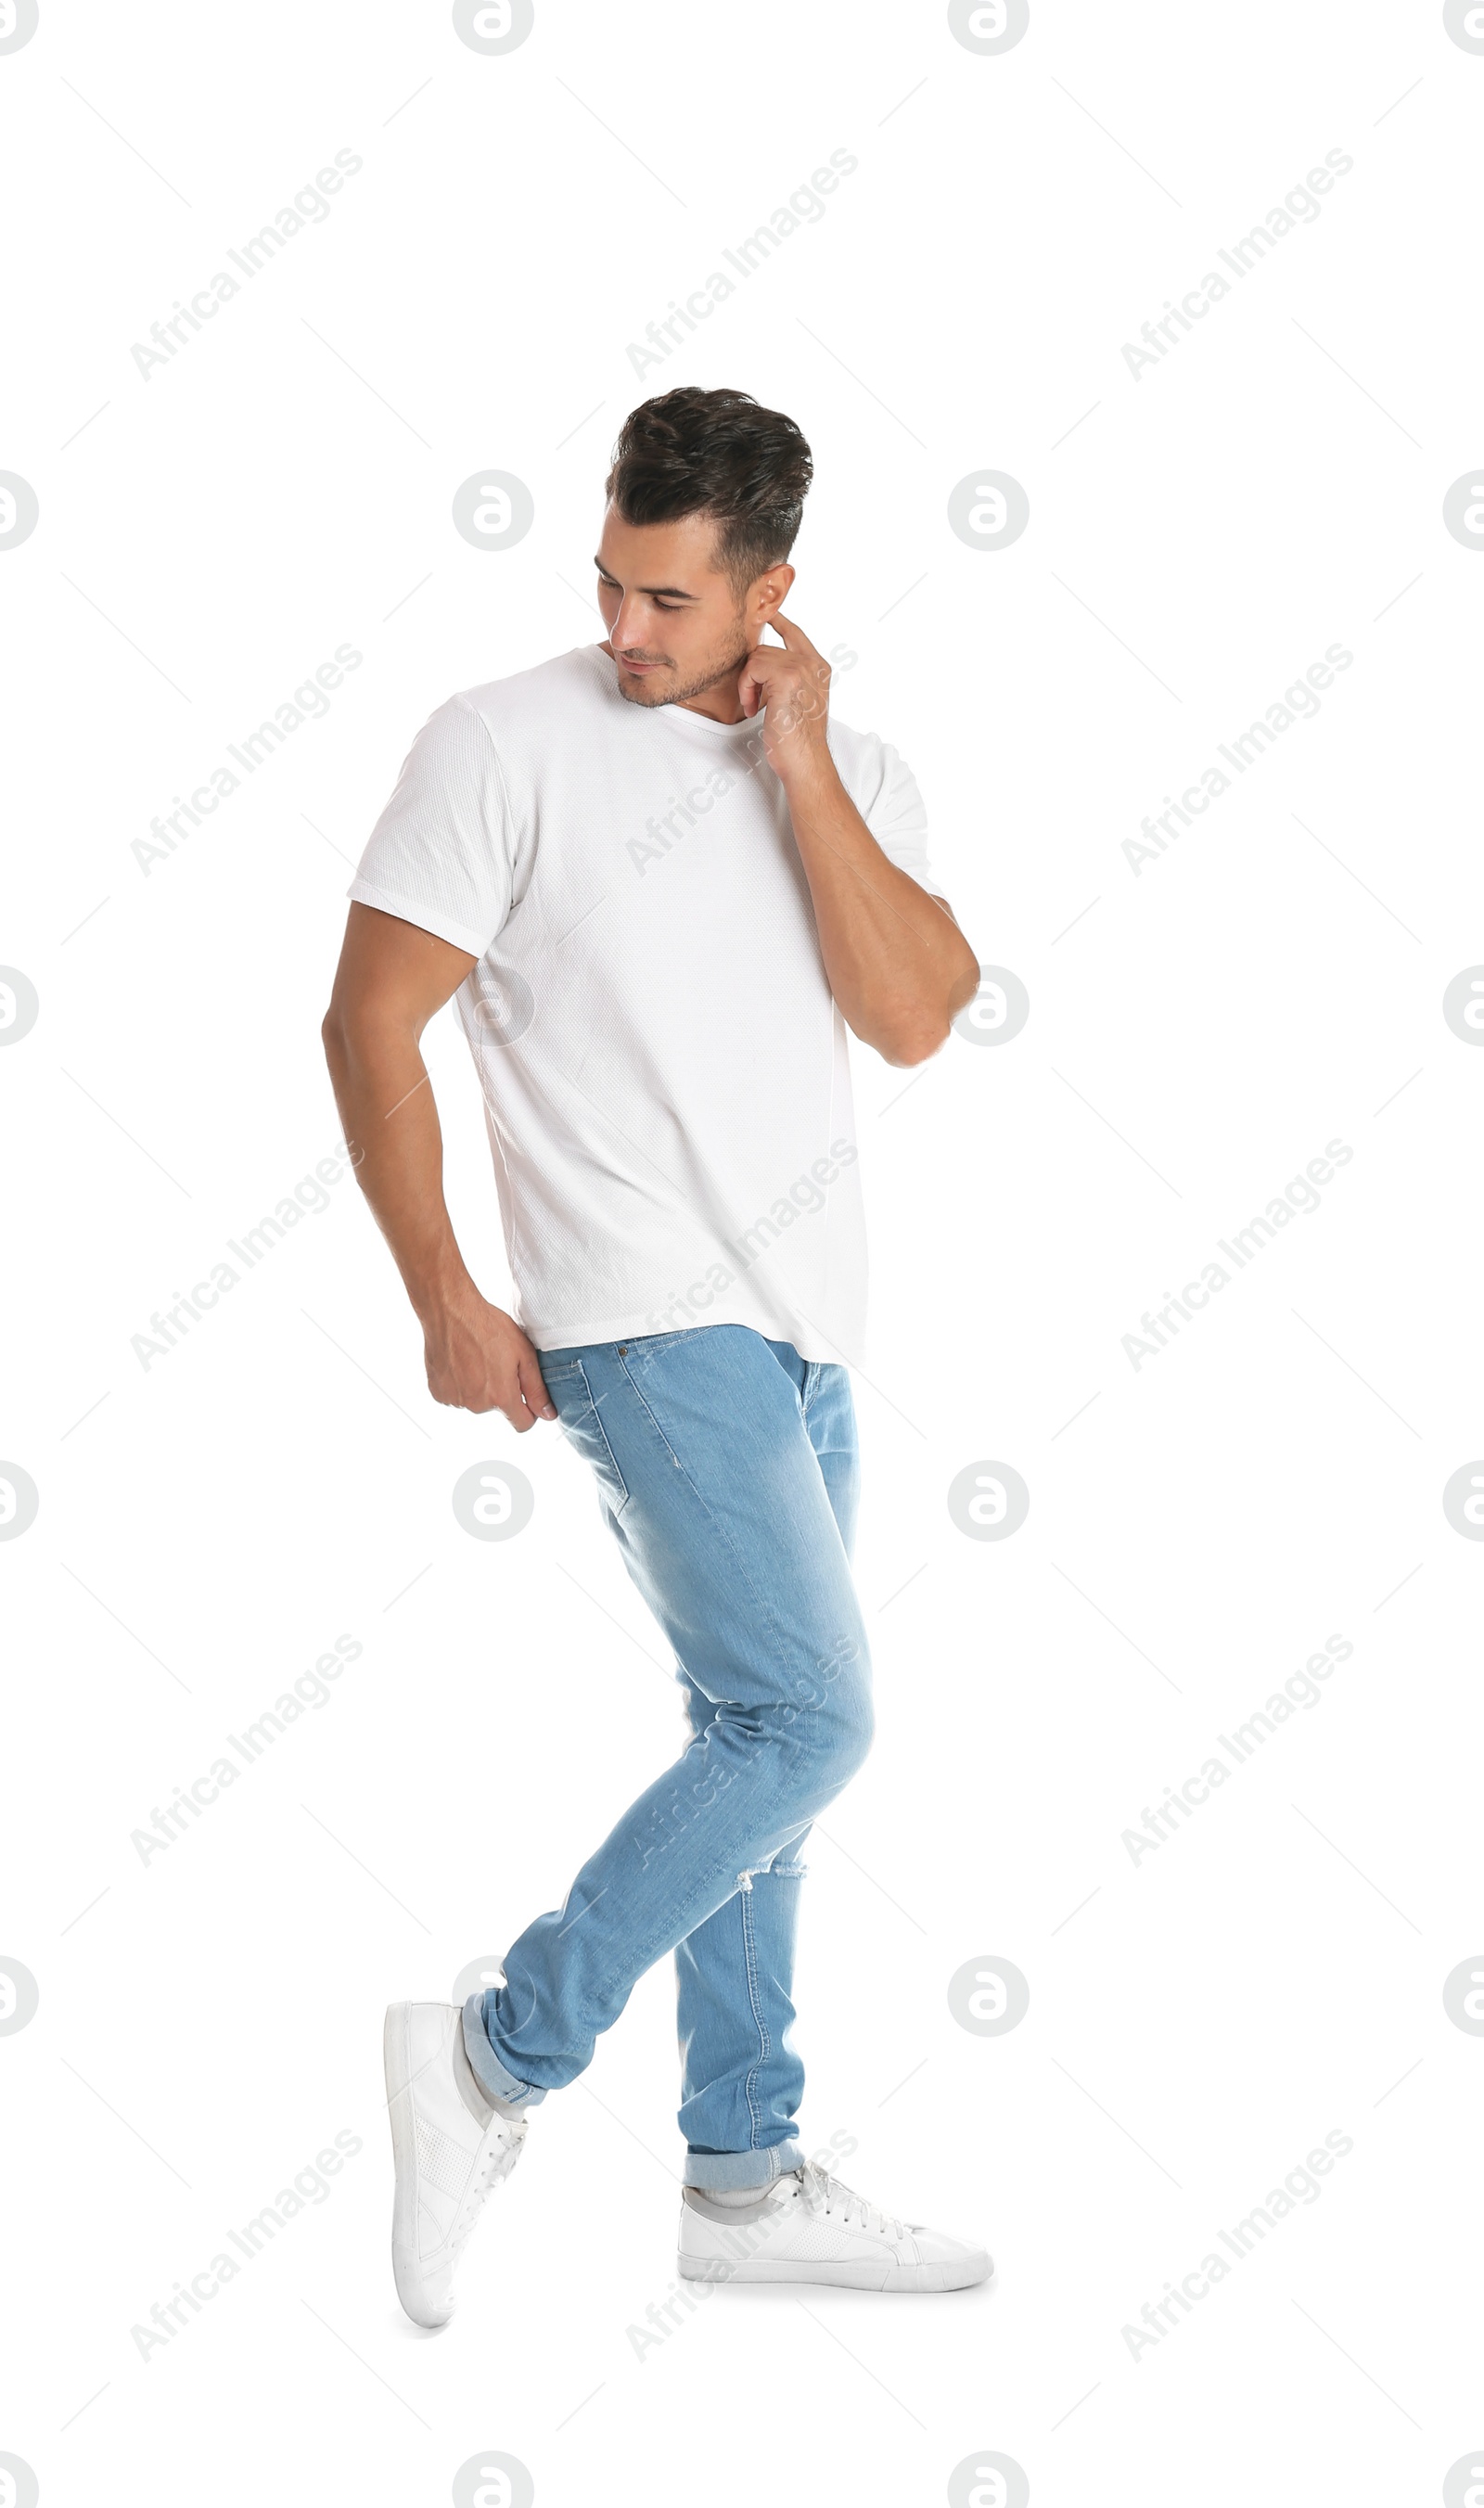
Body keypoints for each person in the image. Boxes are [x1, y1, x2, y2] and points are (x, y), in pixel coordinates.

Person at [323, 385, 991, 2327]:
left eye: (673, 604)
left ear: (771, 592)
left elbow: (916, 1015)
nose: (624, 628)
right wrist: (442, 1286)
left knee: (760, 1749)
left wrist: (795, 763)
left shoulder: (844, 762)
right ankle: (493, 2055)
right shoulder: (499, 742)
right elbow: (366, 1023)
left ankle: (740, 2168)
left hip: (807, 1333)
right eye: (610, 581)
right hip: (636, 1314)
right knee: (809, 1721)